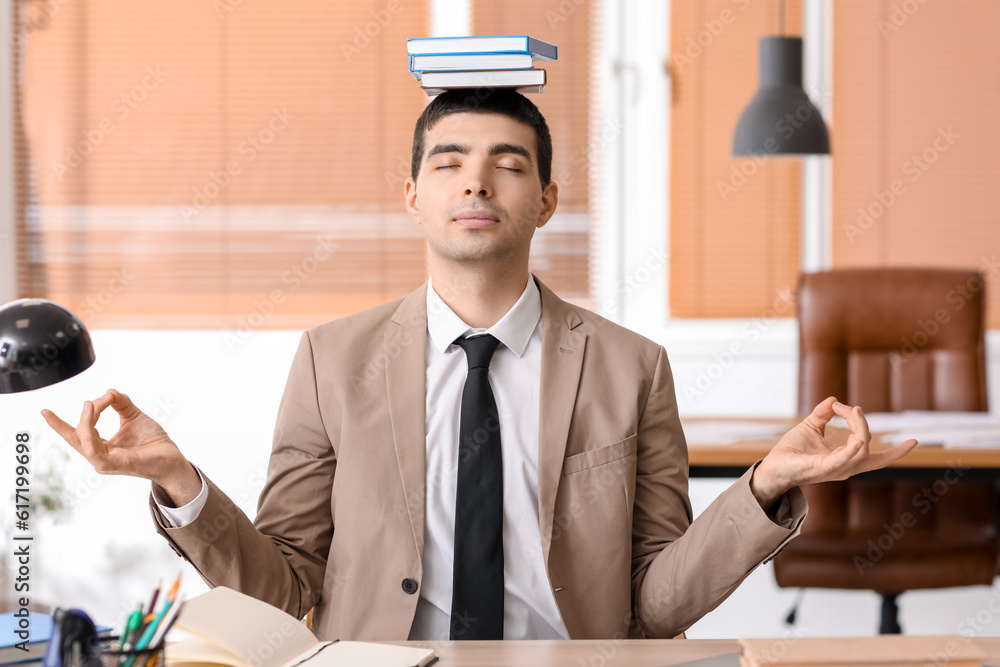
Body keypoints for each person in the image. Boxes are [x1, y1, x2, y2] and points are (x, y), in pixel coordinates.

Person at [41, 88, 917, 642]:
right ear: (414, 196)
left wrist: (765, 483)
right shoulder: (329, 360)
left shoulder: (631, 366)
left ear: (545, 200)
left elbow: (656, 603)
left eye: (508, 164)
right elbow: (286, 592)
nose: (476, 184)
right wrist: (178, 482)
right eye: (449, 163)